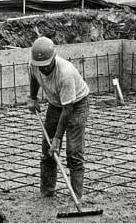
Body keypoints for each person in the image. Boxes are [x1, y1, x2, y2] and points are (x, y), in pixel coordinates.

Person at [27, 36, 91, 201]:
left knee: (74, 153)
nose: (43, 69)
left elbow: (68, 109)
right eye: (39, 66)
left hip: (76, 105)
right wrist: (33, 97)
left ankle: (76, 196)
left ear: (53, 58)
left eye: (46, 65)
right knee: (48, 150)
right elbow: (34, 77)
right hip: (55, 104)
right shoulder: (35, 65)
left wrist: (57, 138)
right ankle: (47, 193)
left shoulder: (65, 73)